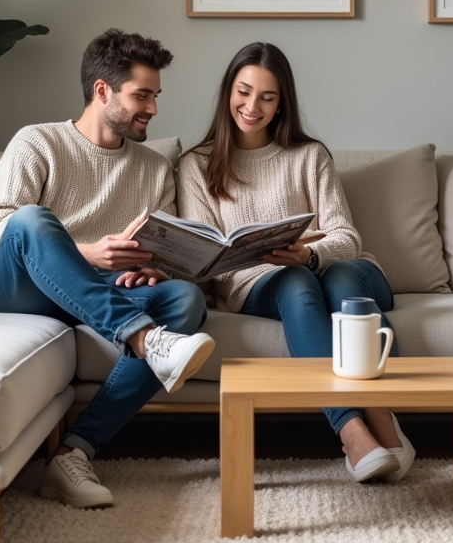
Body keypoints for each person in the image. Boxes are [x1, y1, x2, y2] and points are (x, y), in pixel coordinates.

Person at [0, 29, 215, 509]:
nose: (153, 109)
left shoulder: (153, 167)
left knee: (186, 299)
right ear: (103, 90)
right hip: (19, 295)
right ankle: (147, 339)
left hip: (100, 297)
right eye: (141, 95)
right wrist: (86, 252)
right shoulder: (37, 142)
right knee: (31, 218)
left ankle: (72, 453)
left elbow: (165, 251)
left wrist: (157, 271)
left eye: (155, 96)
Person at [176, 42, 414, 483]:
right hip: (261, 283)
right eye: (244, 92)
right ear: (228, 91)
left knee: (338, 278)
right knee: (294, 282)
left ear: (282, 102)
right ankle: (351, 430)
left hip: (348, 271)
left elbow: (345, 236)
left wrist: (310, 253)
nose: (252, 106)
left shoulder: (309, 155)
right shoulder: (197, 165)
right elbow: (203, 257)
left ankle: (380, 413)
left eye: (267, 97)